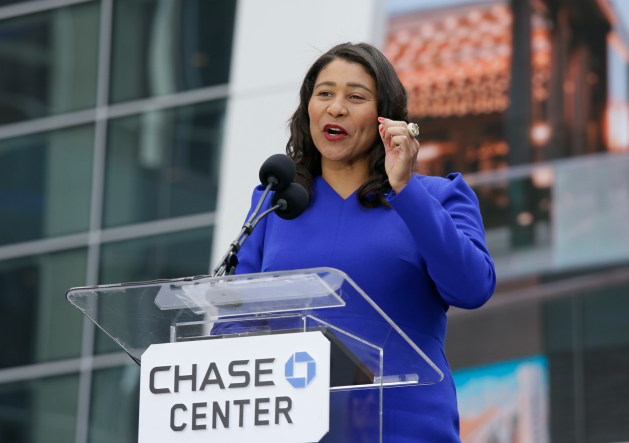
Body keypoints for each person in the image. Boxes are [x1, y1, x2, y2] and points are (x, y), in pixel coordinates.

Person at [212, 42, 496, 442]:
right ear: (307, 109)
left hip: (403, 427)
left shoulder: (437, 196)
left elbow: (472, 287)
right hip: (292, 428)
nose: (336, 107)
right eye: (324, 93)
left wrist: (406, 188)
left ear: (386, 118)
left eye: (355, 97)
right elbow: (235, 321)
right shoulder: (274, 204)